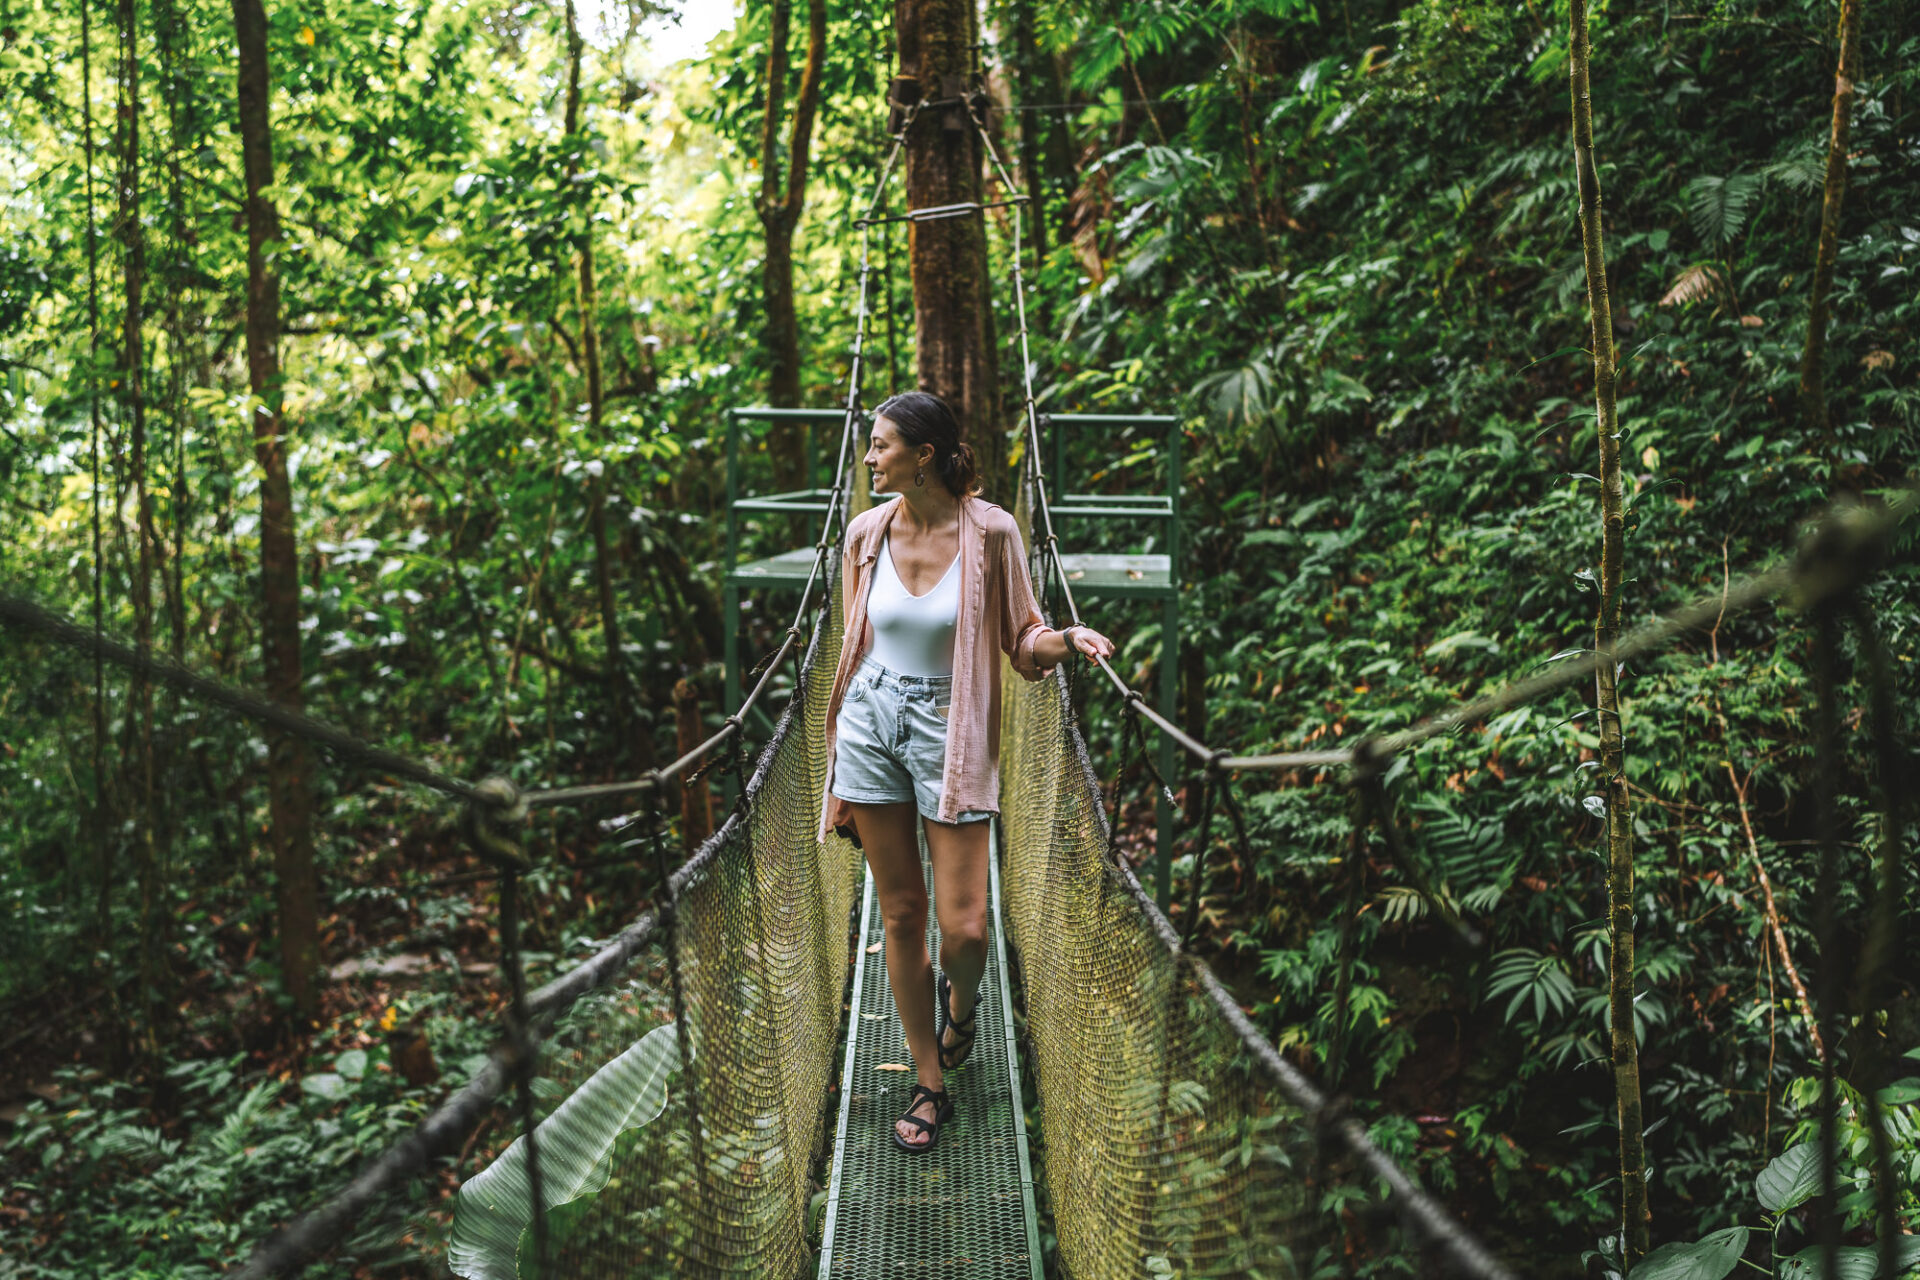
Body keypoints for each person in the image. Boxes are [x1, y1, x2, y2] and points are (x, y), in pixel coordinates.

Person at [818, 391, 1115, 1153]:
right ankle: (930, 1082)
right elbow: (856, 641)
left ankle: (963, 1009)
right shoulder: (863, 534)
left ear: (924, 455)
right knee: (902, 915)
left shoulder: (992, 533)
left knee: (967, 929)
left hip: (951, 730)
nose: (869, 458)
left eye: (881, 446)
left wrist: (1065, 637)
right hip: (870, 723)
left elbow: (1023, 637)